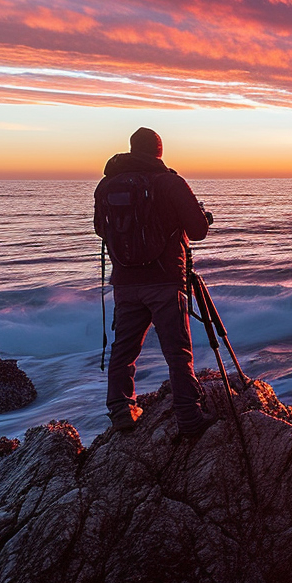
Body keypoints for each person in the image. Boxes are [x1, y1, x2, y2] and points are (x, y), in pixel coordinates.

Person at [94, 127, 216, 435]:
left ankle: (121, 410)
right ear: (159, 151)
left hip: (125, 283)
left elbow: (100, 229)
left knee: (124, 349)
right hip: (165, 281)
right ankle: (188, 417)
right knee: (177, 352)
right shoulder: (171, 182)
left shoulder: (107, 186)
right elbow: (198, 230)